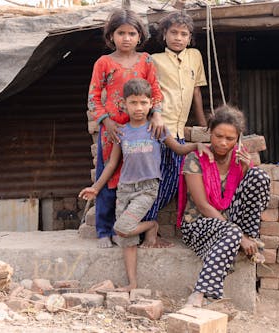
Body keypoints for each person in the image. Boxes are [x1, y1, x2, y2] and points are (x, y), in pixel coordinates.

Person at [80, 78, 213, 291]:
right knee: (127, 241)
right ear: (124, 104)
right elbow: (112, 164)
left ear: (151, 104)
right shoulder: (121, 132)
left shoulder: (157, 129)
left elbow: (178, 150)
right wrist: (96, 188)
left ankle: (152, 225)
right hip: (125, 189)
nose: (138, 108)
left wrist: (197, 144)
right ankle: (132, 283)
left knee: (121, 228)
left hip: (147, 189)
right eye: (133, 103)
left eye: (143, 102)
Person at [177, 105, 271, 307]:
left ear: (238, 139)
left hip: (228, 221)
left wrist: (246, 171)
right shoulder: (195, 159)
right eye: (218, 136)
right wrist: (239, 235)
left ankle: (249, 240)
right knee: (233, 234)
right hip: (199, 225)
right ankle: (200, 293)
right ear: (210, 132)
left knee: (259, 176)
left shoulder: (240, 157)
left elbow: (249, 198)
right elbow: (202, 205)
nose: (223, 142)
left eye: (230, 139)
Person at [88, 9, 166, 248]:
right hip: (112, 133)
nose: (126, 38)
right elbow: (93, 97)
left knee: (134, 180)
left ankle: (130, 228)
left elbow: (155, 91)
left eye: (131, 33)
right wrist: (106, 121)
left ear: (139, 36)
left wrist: (158, 115)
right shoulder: (103, 62)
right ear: (111, 36)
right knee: (109, 177)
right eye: (120, 33)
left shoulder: (146, 61)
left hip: (140, 131)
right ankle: (104, 230)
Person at [146, 11, 207, 225]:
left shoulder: (195, 56)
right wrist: (155, 114)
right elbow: (151, 94)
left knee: (172, 182)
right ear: (164, 34)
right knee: (155, 180)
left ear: (190, 38)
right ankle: (145, 224)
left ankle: (144, 223)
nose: (178, 38)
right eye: (173, 32)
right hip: (160, 129)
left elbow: (197, 92)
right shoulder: (154, 60)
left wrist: (203, 126)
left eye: (184, 34)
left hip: (180, 131)